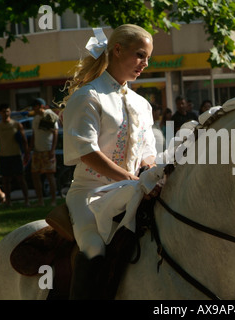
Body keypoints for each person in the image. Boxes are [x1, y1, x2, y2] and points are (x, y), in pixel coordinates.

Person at [61, 25, 157, 299]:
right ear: (117, 50)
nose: (145, 63)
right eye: (140, 55)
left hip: (131, 190)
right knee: (94, 248)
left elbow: (148, 149)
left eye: (147, 57)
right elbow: (87, 152)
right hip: (89, 194)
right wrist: (129, 179)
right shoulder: (88, 96)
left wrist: (149, 169)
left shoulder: (142, 103)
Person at [0, 104, 30, 207]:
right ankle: (8, 202)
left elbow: (24, 141)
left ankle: (27, 201)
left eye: (7, 111)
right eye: (3, 111)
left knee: (21, 179)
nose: (6, 113)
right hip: (4, 156)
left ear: (10, 112)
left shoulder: (16, 124)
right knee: (5, 180)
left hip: (16, 155)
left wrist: (26, 154)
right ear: (0, 113)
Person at [30, 98, 59, 207]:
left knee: (49, 175)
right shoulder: (35, 118)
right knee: (35, 175)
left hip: (47, 150)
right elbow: (34, 134)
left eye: (35, 106)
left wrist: (52, 150)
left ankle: (53, 200)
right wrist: (30, 148)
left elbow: (55, 133)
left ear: (40, 106)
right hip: (37, 151)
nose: (33, 109)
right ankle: (40, 200)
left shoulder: (49, 115)